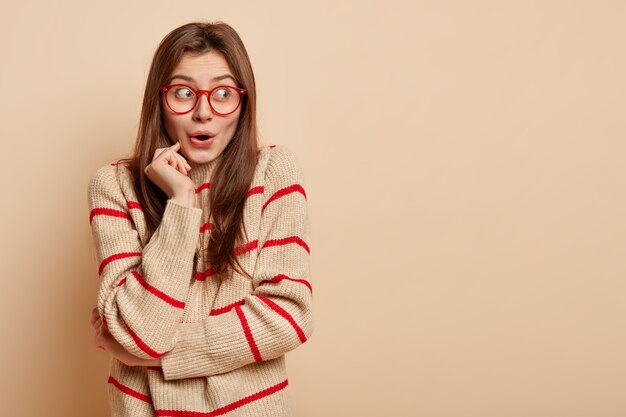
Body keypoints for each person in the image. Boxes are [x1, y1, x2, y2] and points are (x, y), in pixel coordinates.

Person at [87, 21, 313, 417]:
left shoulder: (274, 171)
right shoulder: (114, 186)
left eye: (223, 93)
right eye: (183, 93)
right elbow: (141, 332)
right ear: (159, 100)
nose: (204, 112)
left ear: (244, 102)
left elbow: (288, 316)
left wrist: (159, 358)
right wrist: (182, 201)